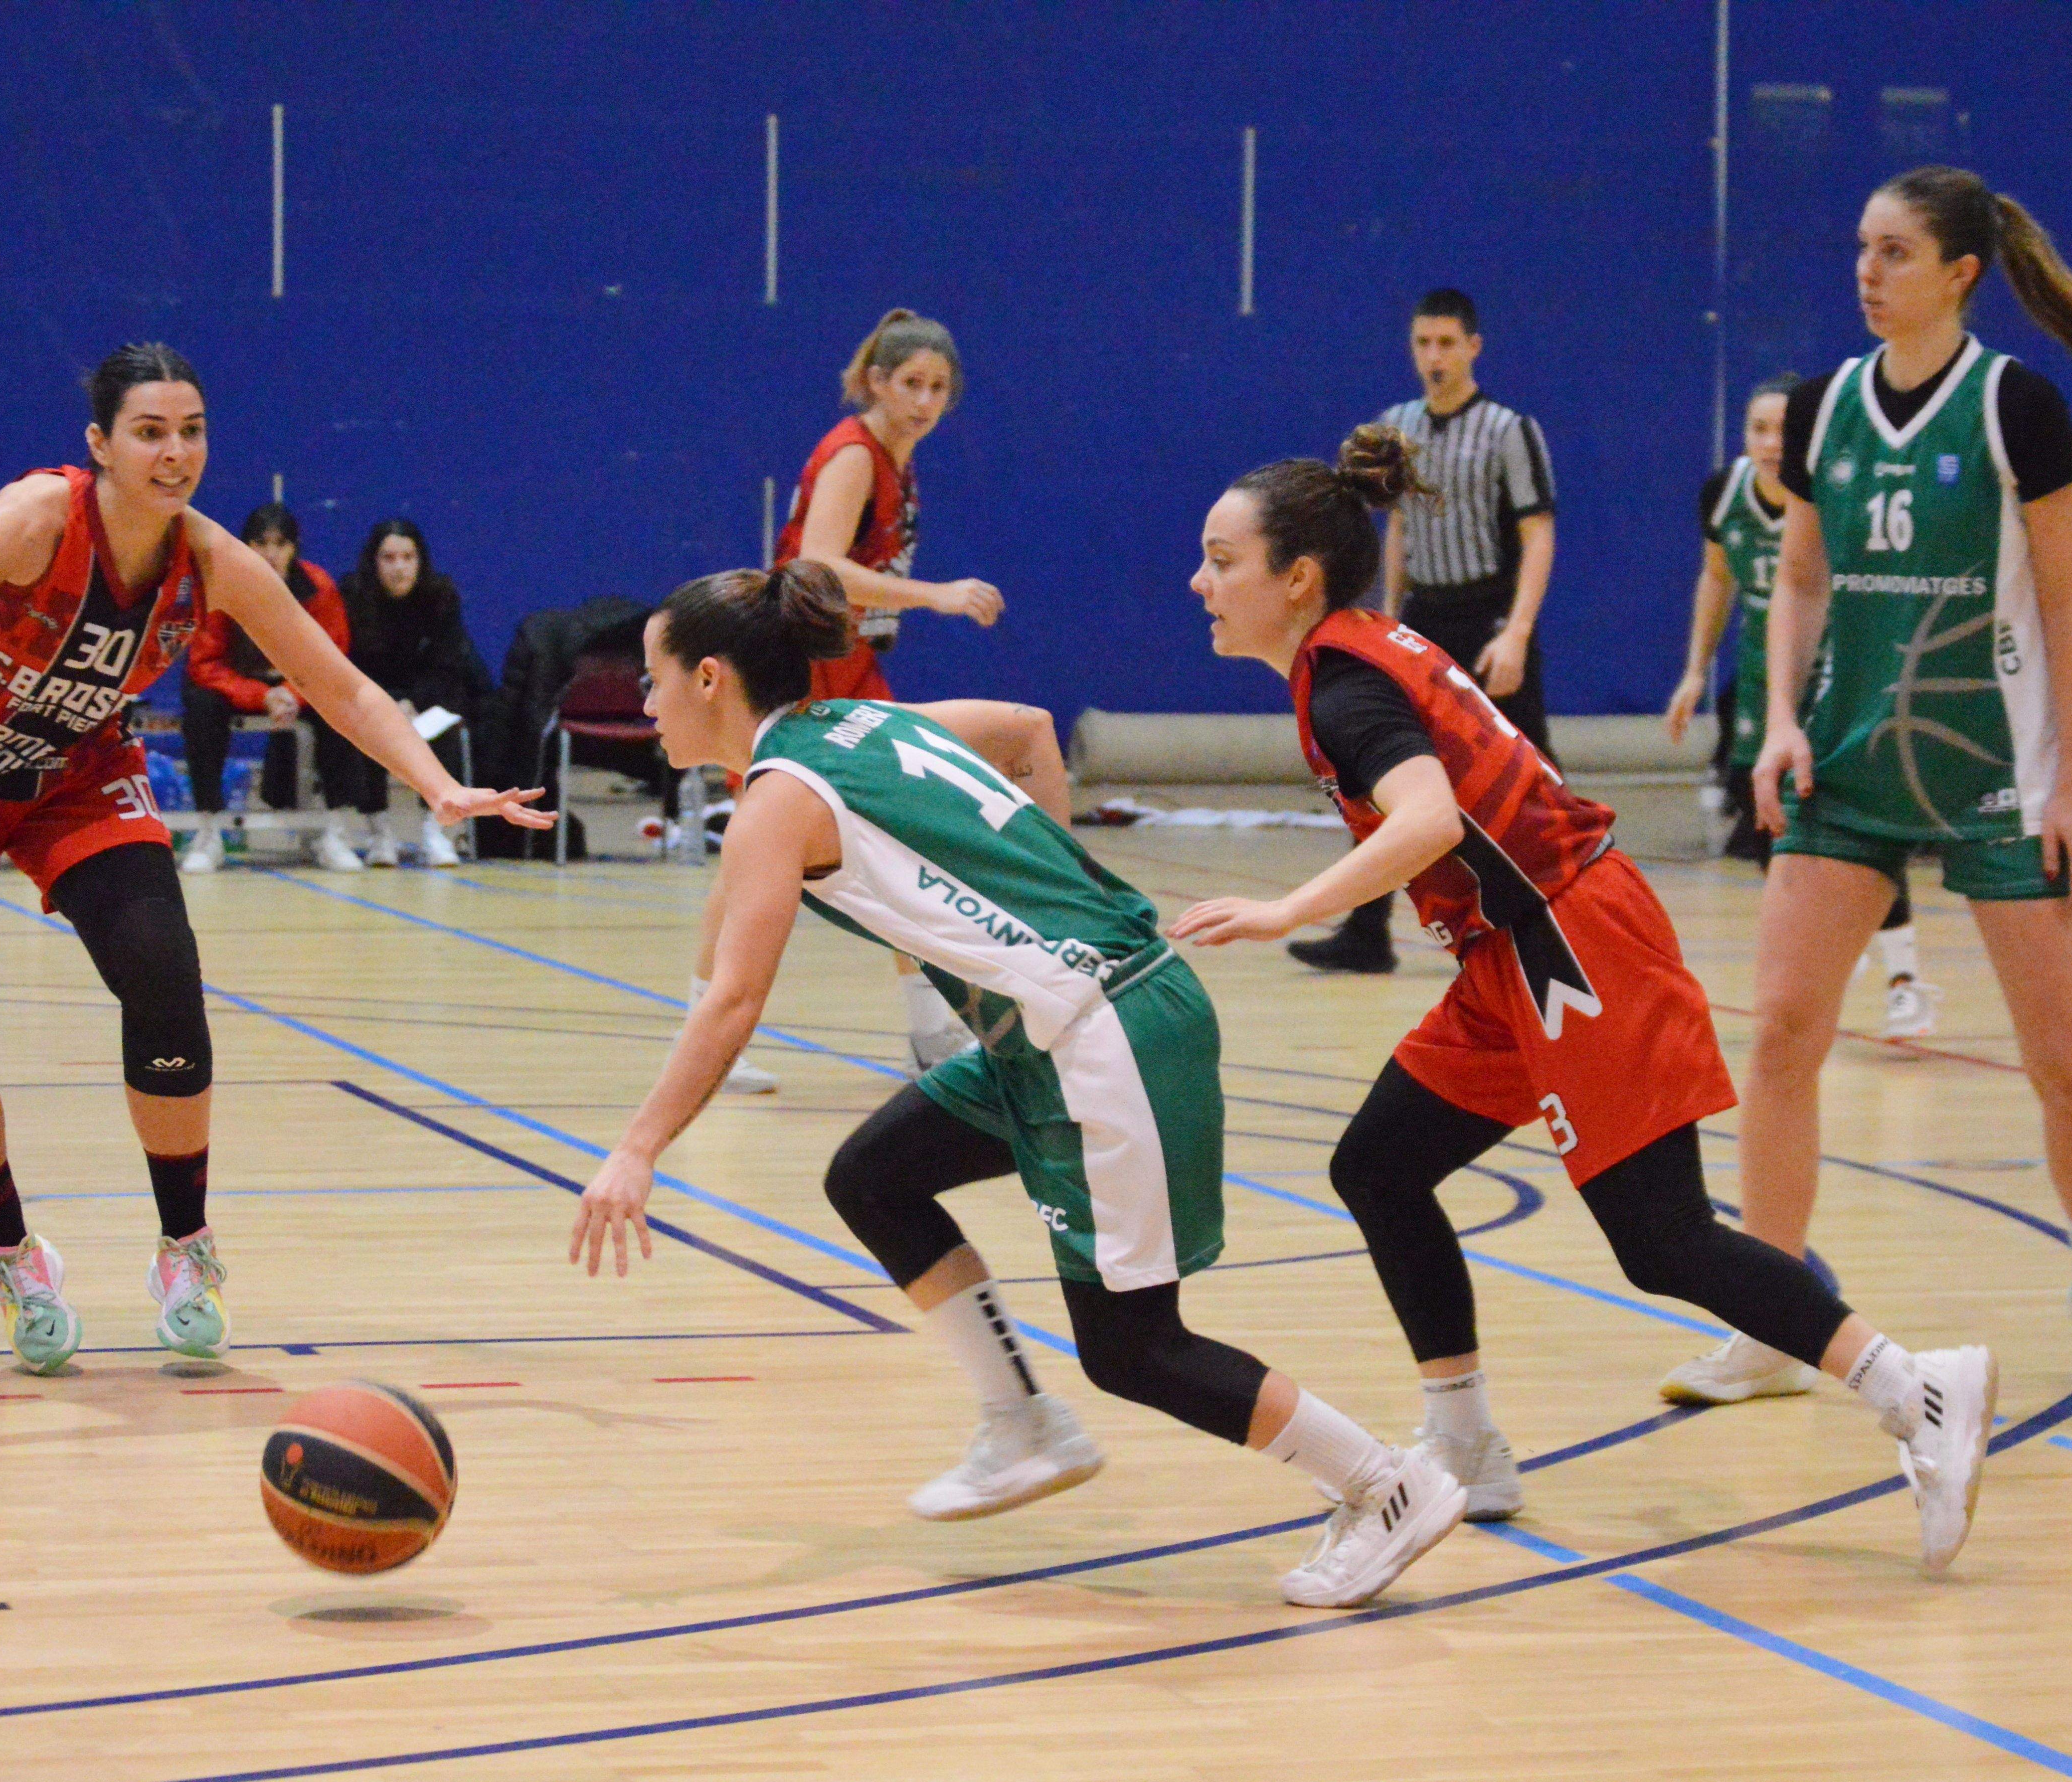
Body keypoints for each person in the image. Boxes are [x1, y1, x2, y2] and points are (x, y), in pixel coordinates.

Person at [1168, 432, 1997, 1571]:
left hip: (1571, 940)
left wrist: (1286, 909)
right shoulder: (1352, 657)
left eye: (1220, 560)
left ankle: (1918, 1389)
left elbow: (1427, 824)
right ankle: (1464, 1442)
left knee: (1660, 1241)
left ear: (1295, 578)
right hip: (1508, 955)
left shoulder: (1347, 682)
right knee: (1378, 1164)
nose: (1199, 583)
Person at [572, 561, 1466, 1609]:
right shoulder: (869, 725)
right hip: (1052, 1034)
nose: (645, 701)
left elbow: (732, 1001)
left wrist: (634, 1148)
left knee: (1134, 1346)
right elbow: (1028, 726)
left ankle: (1383, 1484)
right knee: (874, 1175)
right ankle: (1020, 1422)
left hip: (1104, 1034)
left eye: (652, 678)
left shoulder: (780, 798)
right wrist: (1052, 889)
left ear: (712, 679)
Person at [0, 343, 550, 1370]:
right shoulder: (37, 518)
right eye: (151, 432)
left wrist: (437, 786)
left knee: (166, 978)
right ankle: (11, 1252)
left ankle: (185, 1244)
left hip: (77, 778)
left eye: (193, 431)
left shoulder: (211, 557)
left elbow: (341, 686)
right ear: (100, 444)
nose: (176, 453)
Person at [1662, 165, 2072, 1409]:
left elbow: (2071, 609)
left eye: (1894, 252)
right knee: (1784, 1037)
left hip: (1999, 772)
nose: (1865, 271)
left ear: (1959, 274)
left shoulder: (2014, 408)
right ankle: (1769, 1321)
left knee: (2066, 1068)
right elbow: (1797, 580)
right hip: (1850, 764)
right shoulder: (1818, 409)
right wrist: (1777, 726)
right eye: (1860, 248)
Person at [690, 309, 1030, 1092]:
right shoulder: (853, 455)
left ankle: (926, 1028)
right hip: (791, 664)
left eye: (940, 387)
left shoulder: (898, 459)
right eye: (911, 383)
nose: (926, 400)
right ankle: (710, 1032)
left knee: (901, 835)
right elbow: (820, 569)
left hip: (848, 666)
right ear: (876, 381)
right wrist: (934, 596)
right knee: (758, 860)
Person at [1290, 288, 1556, 975]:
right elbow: (1400, 528)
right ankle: (1368, 930)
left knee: (1531, 770)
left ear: (1474, 347)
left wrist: (1519, 631)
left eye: (1446, 343)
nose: (1433, 357)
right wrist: (1391, 614)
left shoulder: (1508, 429)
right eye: (1422, 344)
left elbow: (1539, 532)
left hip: (1491, 612)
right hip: (1428, 618)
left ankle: (1561, 902)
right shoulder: (1399, 424)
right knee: (1381, 771)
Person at [1669, 374, 1937, 1041]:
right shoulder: (1724, 495)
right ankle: (1829, 955)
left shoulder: (1834, 495)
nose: (1770, 444)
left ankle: (1905, 981)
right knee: (1771, 835)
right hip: (1766, 685)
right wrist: (1696, 671)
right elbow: (1716, 576)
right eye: (1759, 429)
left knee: (1856, 830)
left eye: (1785, 431)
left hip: (1838, 677)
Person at [177, 500, 340, 874]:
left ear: (294, 549)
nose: (270, 554)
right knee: (200, 705)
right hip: (235, 689)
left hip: (299, 687)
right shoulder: (221, 587)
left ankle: (335, 829)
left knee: (340, 709)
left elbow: (332, 658)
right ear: (245, 546)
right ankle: (209, 829)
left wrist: (292, 694)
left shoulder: (318, 589)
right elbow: (205, 664)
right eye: (261, 543)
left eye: (280, 544)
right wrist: (263, 695)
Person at [325, 517, 487, 869]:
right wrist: (389, 705)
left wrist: (413, 703)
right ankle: (379, 829)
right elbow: (346, 663)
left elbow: (448, 664)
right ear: (374, 561)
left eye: (408, 558)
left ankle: (435, 829)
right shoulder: (353, 594)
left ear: (420, 561)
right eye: (389, 558)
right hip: (371, 697)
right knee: (364, 730)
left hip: (425, 699)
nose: (399, 568)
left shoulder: (441, 595)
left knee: (447, 726)